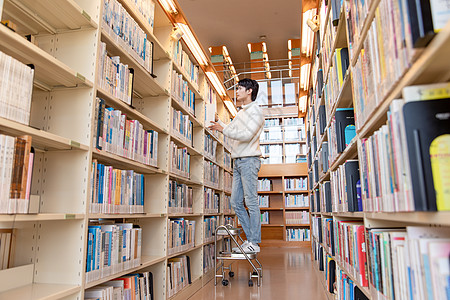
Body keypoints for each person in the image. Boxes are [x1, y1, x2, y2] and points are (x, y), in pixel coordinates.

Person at [208, 78, 264, 253]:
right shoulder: (241, 113)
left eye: (239, 88)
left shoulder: (256, 111)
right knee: (235, 202)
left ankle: (254, 242)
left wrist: (222, 129)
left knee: (251, 201)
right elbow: (233, 129)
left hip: (249, 160)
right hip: (238, 161)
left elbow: (246, 135)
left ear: (249, 91)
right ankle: (251, 240)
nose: (236, 91)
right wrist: (220, 124)